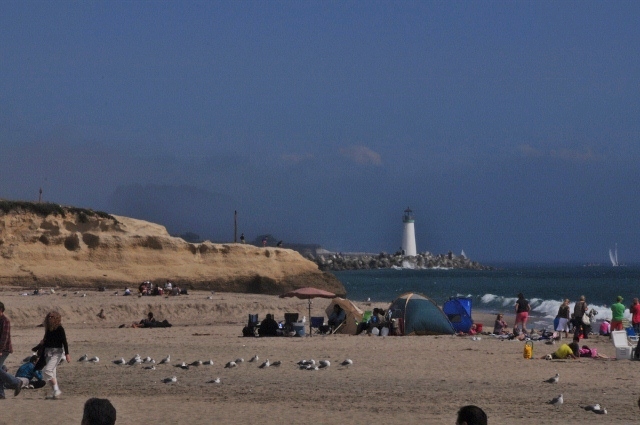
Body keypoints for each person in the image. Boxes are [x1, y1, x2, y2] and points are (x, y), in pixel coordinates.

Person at [39, 310, 71, 399]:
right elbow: (46, 339)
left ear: (56, 318)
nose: (50, 318)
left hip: (57, 353)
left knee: (47, 371)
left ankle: (57, 390)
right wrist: (42, 343)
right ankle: (55, 393)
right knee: (52, 373)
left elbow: (64, 342)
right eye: (48, 317)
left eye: (52, 317)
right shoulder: (48, 329)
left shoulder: (60, 328)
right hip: (48, 352)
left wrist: (67, 354)